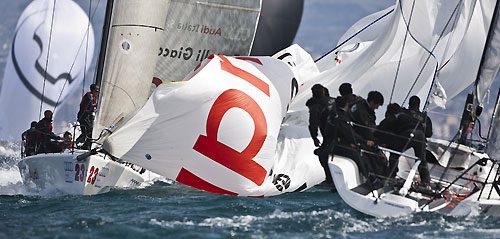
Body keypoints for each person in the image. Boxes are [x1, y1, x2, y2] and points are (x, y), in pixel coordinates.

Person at [377, 102, 431, 186]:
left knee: (395, 152)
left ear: (389, 112)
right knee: (421, 159)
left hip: (409, 134)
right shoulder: (407, 116)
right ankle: (426, 181)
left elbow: (383, 128)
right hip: (421, 135)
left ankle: (391, 175)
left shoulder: (394, 117)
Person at [329, 96, 378, 185]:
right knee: (360, 155)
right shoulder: (341, 118)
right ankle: (371, 179)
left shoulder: (335, 115)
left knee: (362, 153)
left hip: (338, 143)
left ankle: (372, 177)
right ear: (346, 105)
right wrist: (364, 142)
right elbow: (349, 134)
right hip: (340, 145)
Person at [76, 83, 99, 149]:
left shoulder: (91, 96)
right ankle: (84, 145)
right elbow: (89, 108)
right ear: (93, 90)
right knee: (90, 131)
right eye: (96, 91)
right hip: (84, 116)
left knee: (85, 132)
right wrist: (94, 110)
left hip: (85, 116)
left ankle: (80, 144)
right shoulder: (90, 96)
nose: (97, 93)